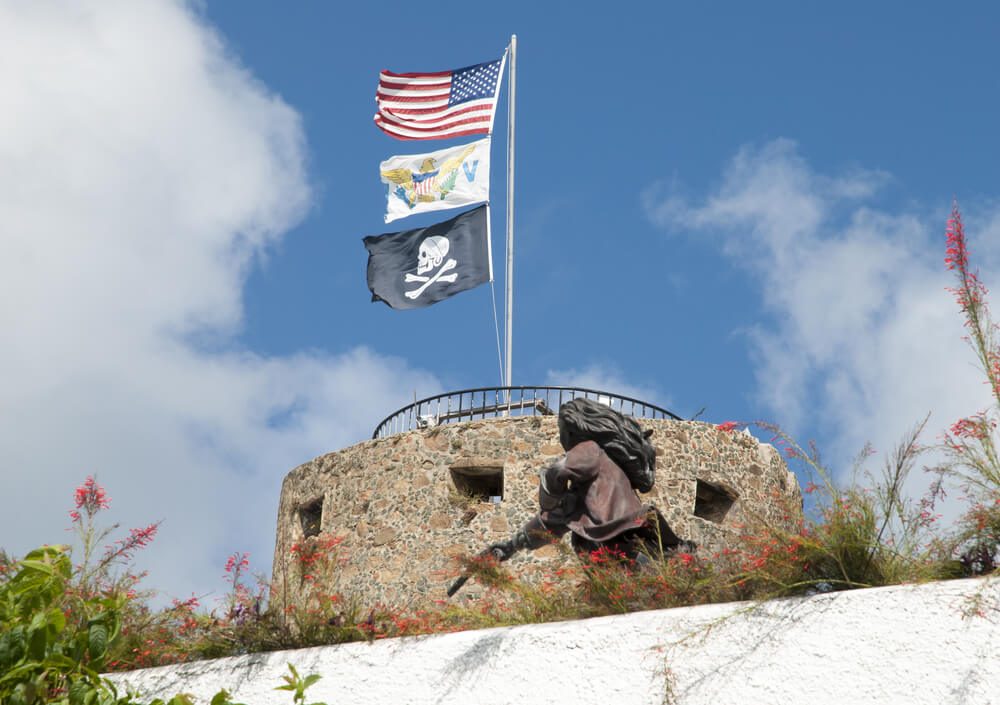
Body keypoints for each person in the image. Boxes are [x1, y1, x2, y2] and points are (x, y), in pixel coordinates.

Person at [488, 397, 695, 565]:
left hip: (613, 544)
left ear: (572, 429)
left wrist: (550, 496)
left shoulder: (590, 449)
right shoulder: (608, 474)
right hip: (635, 541)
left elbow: (558, 471)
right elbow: (551, 521)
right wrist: (510, 546)